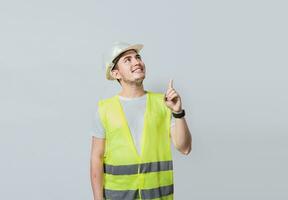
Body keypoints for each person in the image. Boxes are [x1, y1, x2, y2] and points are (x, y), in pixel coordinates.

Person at [90, 42, 192, 200]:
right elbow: (96, 157)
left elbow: (184, 148)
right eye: (128, 60)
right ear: (116, 73)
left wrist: (178, 112)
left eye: (138, 57)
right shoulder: (105, 109)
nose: (137, 62)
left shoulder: (164, 103)